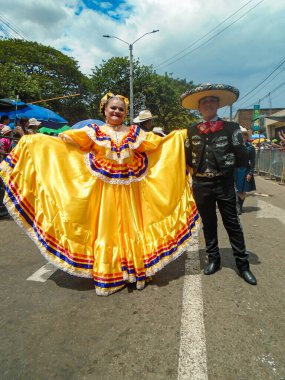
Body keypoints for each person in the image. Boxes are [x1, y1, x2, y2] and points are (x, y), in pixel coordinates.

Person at [0, 92, 200, 296]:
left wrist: (180, 135)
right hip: (104, 194)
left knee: (132, 229)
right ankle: (111, 271)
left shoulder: (134, 133)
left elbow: (157, 144)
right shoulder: (93, 131)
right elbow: (66, 145)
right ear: (104, 109)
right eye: (113, 108)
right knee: (108, 230)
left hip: (131, 193)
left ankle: (134, 269)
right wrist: (36, 142)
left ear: (125, 113)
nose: (116, 111)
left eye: (121, 109)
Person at [181, 83, 257, 285]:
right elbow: (186, 157)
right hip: (201, 184)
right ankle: (214, 259)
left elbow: (242, 157)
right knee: (209, 223)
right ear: (199, 108)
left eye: (211, 100)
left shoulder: (231, 128)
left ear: (218, 105)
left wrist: (227, 168)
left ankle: (243, 265)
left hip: (223, 184)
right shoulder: (191, 131)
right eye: (203, 101)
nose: (208, 104)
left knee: (232, 223)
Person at [234, 127, 256, 214]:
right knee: (234, 190)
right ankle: (236, 206)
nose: (243, 136)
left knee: (242, 191)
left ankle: (240, 206)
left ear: (247, 136)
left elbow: (253, 161)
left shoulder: (251, 147)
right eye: (241, 134)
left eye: (245, 134)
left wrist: (250, 173)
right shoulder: (234, 146)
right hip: (234, 170)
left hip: (245, 170)